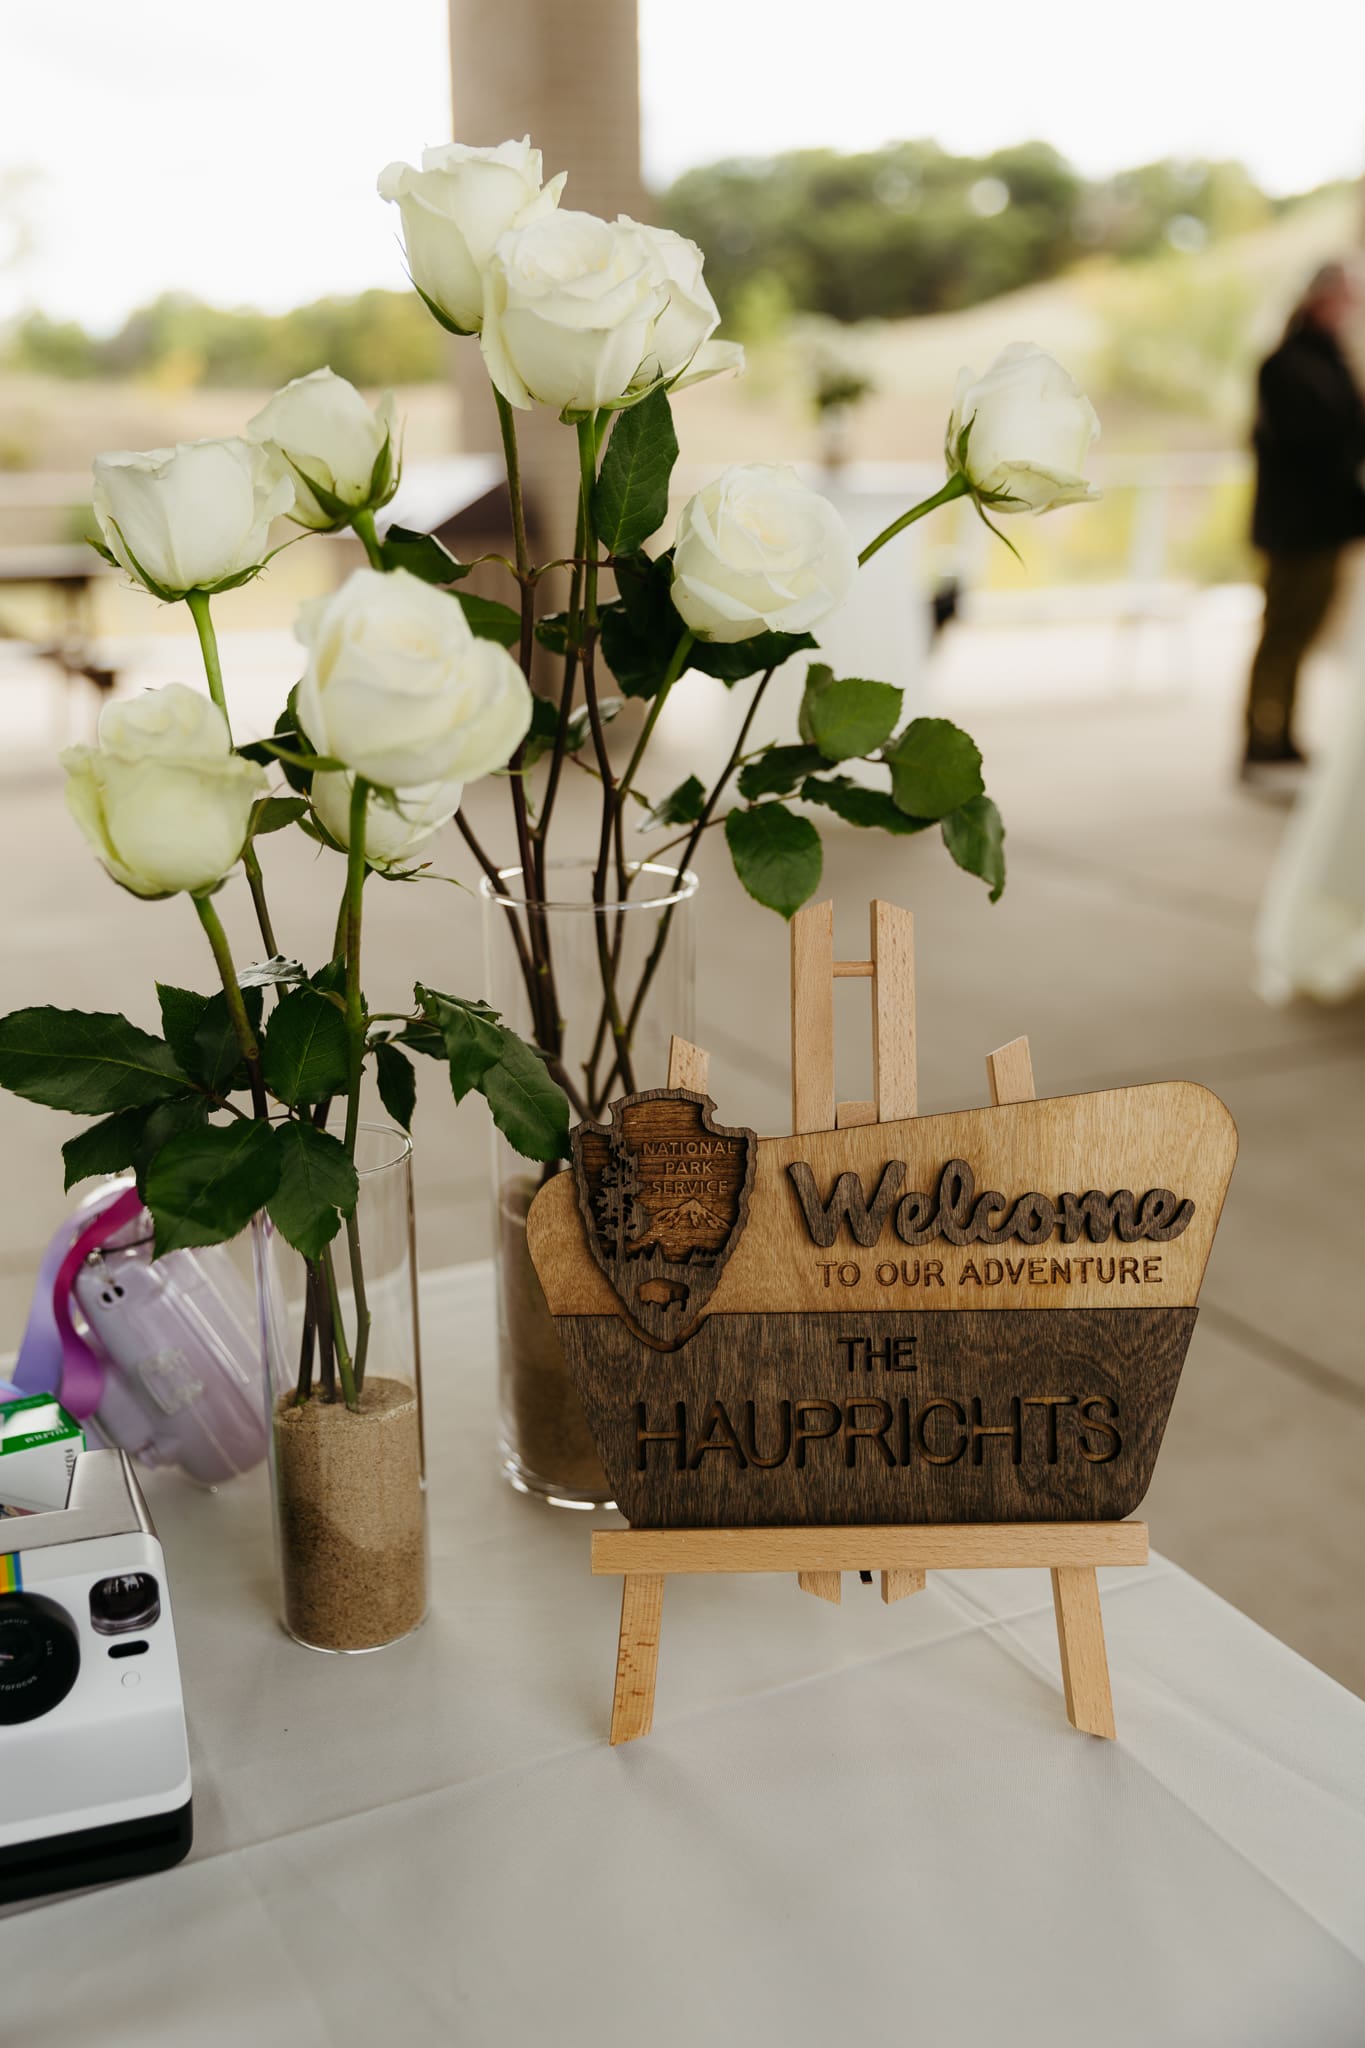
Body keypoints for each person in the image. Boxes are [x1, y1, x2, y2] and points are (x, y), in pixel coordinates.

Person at [1243, 262, 1365, 779]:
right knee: (1282, 630)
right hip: (1297, 525)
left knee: (1303, 629)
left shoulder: (1331, 362)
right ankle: (1261, 733)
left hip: (1326, 522)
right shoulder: (1286, 365)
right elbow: (1308, 443)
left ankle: (1282, 731)